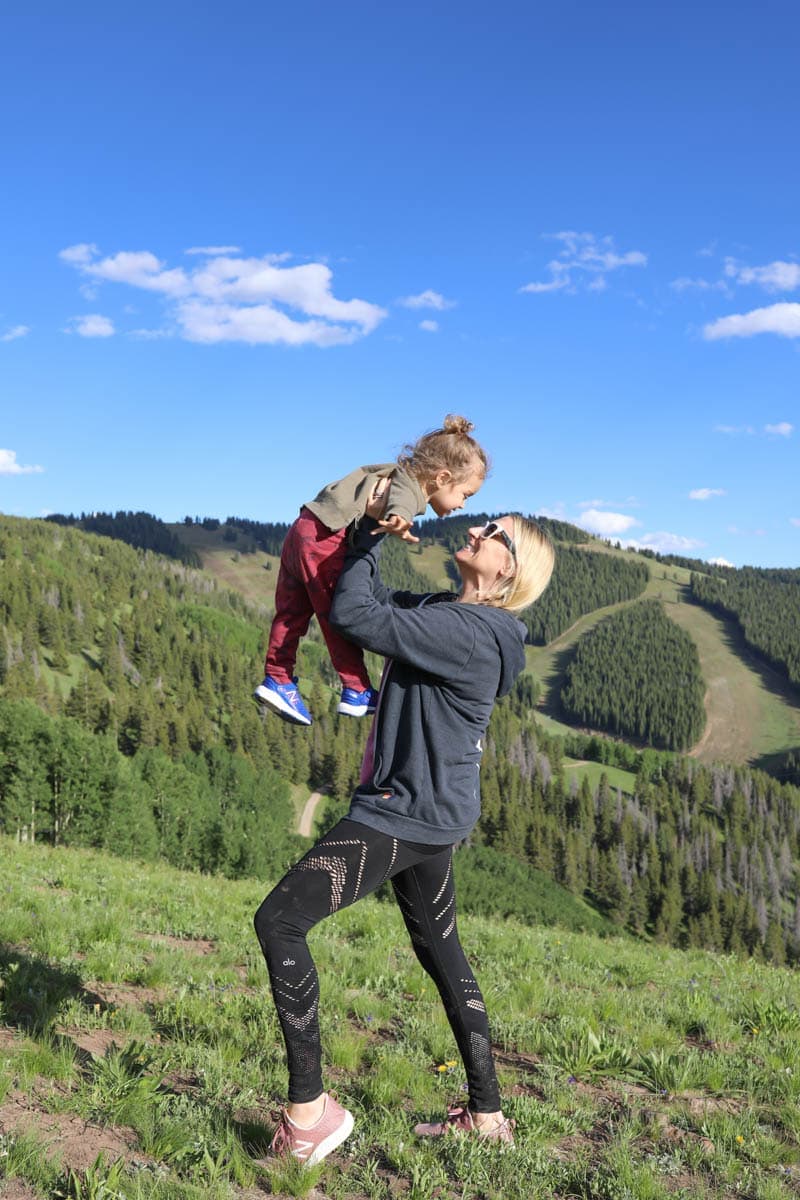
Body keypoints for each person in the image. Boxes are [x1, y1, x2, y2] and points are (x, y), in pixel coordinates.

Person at [253, 507, 555, 1166]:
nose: (476, 531)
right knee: (442, 952)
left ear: (509, 568)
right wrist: (368, 539)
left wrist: (362, 534)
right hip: (434, 811)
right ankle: (487, 1115)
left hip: (404, 815)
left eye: (492, 535)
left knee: (279, 921)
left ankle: (310, 1116)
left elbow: (362, 619)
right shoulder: (455, 614)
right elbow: (373, 602)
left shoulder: (470, 631)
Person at [253, 415, 488, 727]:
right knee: (338, 614)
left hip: (304, 528)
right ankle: (356, 689)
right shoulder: (407, 483)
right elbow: (400, 496)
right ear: (442, 478)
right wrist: (400, 518)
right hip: (326, 539)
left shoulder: (387, 472)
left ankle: (278, 677)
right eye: (465, 495)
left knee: (291, 613)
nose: (462, 505)